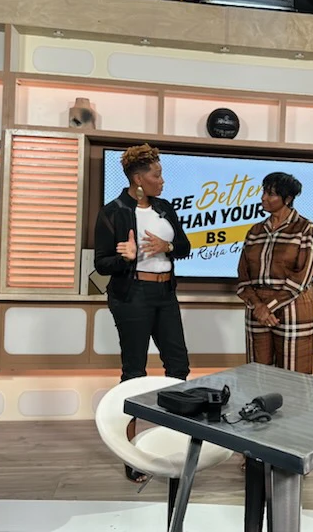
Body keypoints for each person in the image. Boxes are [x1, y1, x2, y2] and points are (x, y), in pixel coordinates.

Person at [94, 143, 191, 483]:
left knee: (179, 367)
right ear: (138, 179)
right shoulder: (113, 211)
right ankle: (131, 453)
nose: (162, 181)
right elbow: (100, 263)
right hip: (132, 296)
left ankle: (173, 445)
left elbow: (186, 247)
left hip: (165, 293)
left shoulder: (165, 208)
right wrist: (126, 256)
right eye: (156, 175)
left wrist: (169, 246)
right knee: (134, 373)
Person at [236, 172, 313, 375]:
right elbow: (243, 276)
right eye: (263, 192)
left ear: (288, 198)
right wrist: (258, 306)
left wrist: (269, 307)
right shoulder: (255, 231)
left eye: (270, 194)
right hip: (257, 308)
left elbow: (303, 278)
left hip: (293, 306)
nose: (263, 198)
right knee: (257, 373)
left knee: (294, 376)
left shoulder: (305, 228)